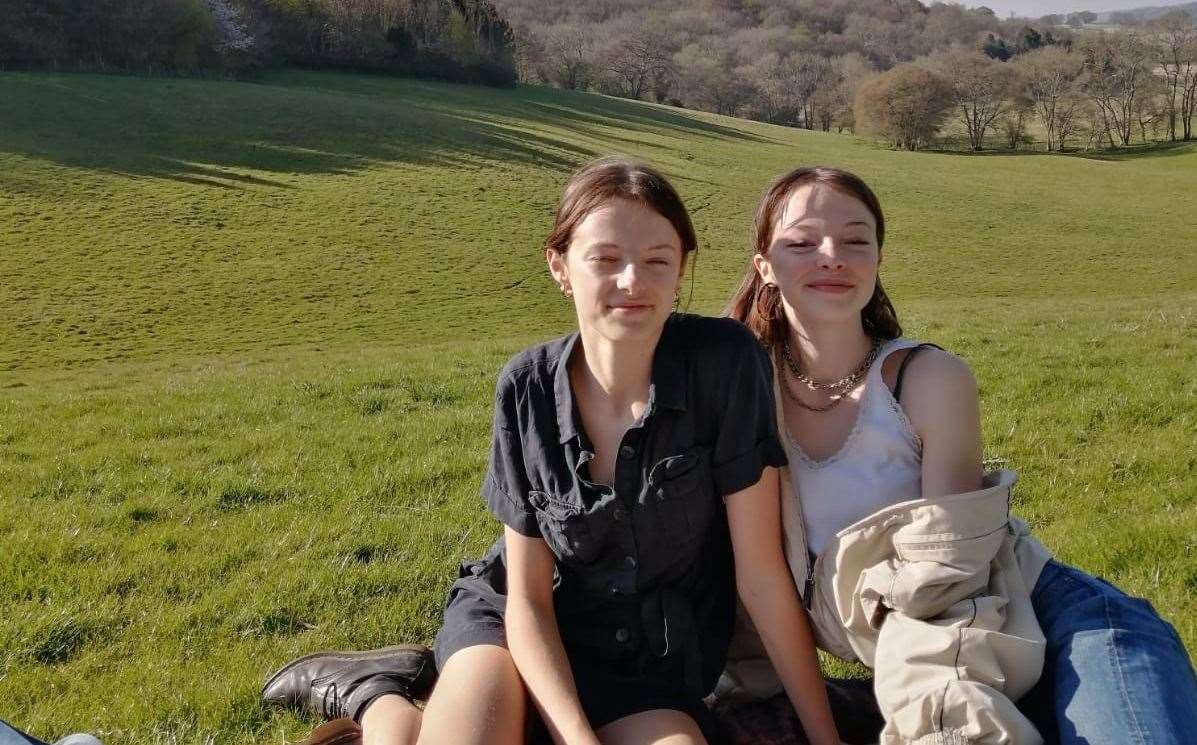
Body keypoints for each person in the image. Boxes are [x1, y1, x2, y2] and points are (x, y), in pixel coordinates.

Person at [263, 158, 841, 745]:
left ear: (681, 268)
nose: (633, 281)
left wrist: (826, 738)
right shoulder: (527, 388)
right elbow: (529, 599)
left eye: (657, 260)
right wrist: (575, 737)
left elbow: (762, 575)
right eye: (606, 259)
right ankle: (381, 698)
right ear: (560, 266)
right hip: (516, 637)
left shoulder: (724, 363)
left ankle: (395, 715)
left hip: (648, 663)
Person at [718, 165, 1197, 744]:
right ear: (763, 265)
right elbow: (751, 579)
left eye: (855, 240)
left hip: (1055, 618)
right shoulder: (743, 390)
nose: (831, 256)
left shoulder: (927, 378)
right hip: (948, 638)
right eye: (802, 242)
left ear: (878, 260)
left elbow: (944, 582)